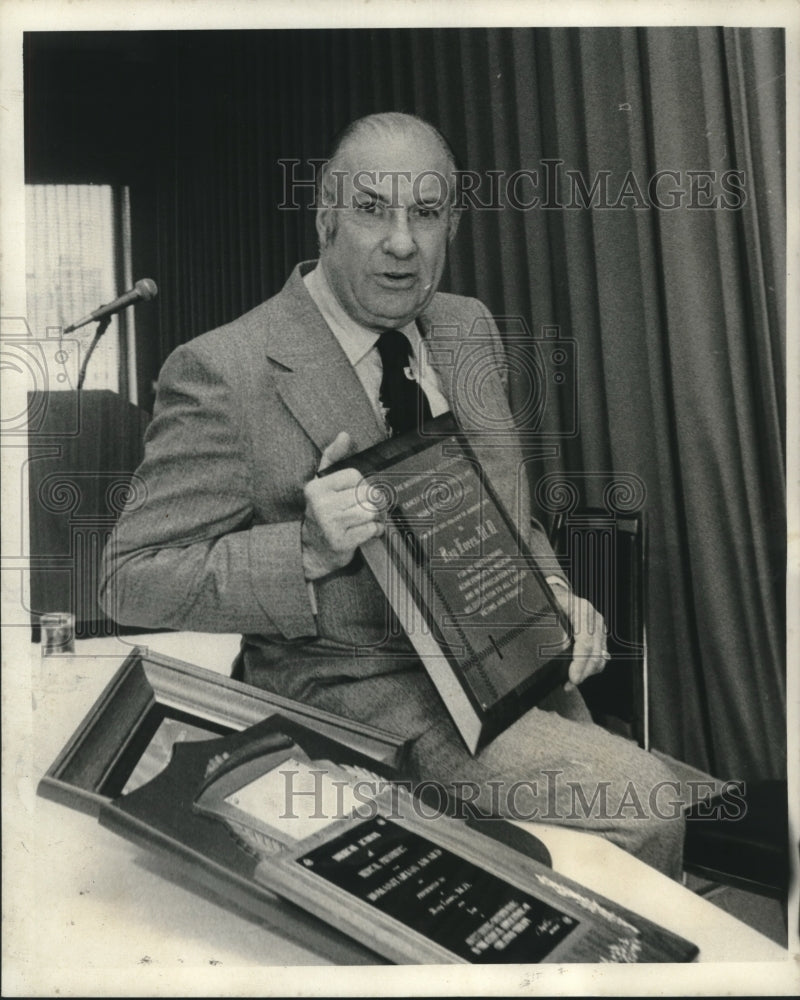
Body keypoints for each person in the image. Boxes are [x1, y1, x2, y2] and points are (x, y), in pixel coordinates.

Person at [100, 112, 685, 877]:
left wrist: (553, 593)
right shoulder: (226, 369)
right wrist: (304, 551)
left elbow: (512, 517)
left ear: (453, 224)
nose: (402, 243)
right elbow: (129, 579)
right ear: (325, 217)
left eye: (426, 213)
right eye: (373, 209)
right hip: (365, 700)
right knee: (650, 805)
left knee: (615, 847)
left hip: (510, 677)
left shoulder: (465, 328)